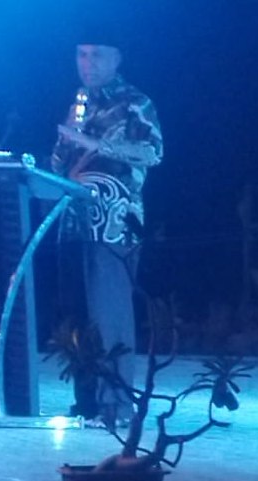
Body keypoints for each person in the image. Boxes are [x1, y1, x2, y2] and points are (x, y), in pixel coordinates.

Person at [50, 31, 163, 428]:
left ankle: (116, 405)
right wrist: (64, 146)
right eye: (81, 55)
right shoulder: (79, 103)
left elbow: (153, 152)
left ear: (117, 59)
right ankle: (87, 402)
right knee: (77, 316)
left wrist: (95, 144)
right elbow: (59, 163)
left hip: (114, 226)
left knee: (109, 316)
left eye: (97, 55)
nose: (88, 63)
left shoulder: (135, 102)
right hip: (73, 222)